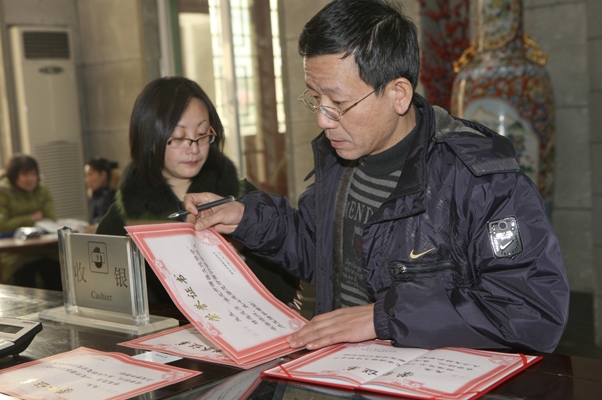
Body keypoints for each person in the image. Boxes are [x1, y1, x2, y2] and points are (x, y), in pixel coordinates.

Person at [183, 0, 569, 353]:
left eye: (338, 102)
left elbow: (530, 310)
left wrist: (382, 317)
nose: (323, 119)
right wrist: (247, 218)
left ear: (398, 94)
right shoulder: (340, 158)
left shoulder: (480, 179)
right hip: (340, 373)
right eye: (315, 99)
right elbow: (319, 249)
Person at [96, 76, 301, 306]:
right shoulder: (123, 218)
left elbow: (285, 287)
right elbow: (106, 298)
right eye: (179, 137)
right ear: (150, 141)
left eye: (202, 134)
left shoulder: (240, 198)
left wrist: (243, 245)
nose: (194, 148)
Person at [0, 154, 61, 289]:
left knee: (57, 274)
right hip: (15, 254)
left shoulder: (42, 189)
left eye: (33, 174)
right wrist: (31, 218)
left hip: (44, 250)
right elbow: (2, 226)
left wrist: (18, 221)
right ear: (13, 176)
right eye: (25, 174)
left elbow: (51, 220)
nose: (30, 179)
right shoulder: (3, 191)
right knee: (24, 278)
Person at [85, 157, 118, 225]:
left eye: (90, 174)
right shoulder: (96, 194)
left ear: (103, 175)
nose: (87, 180)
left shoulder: (114, 196)